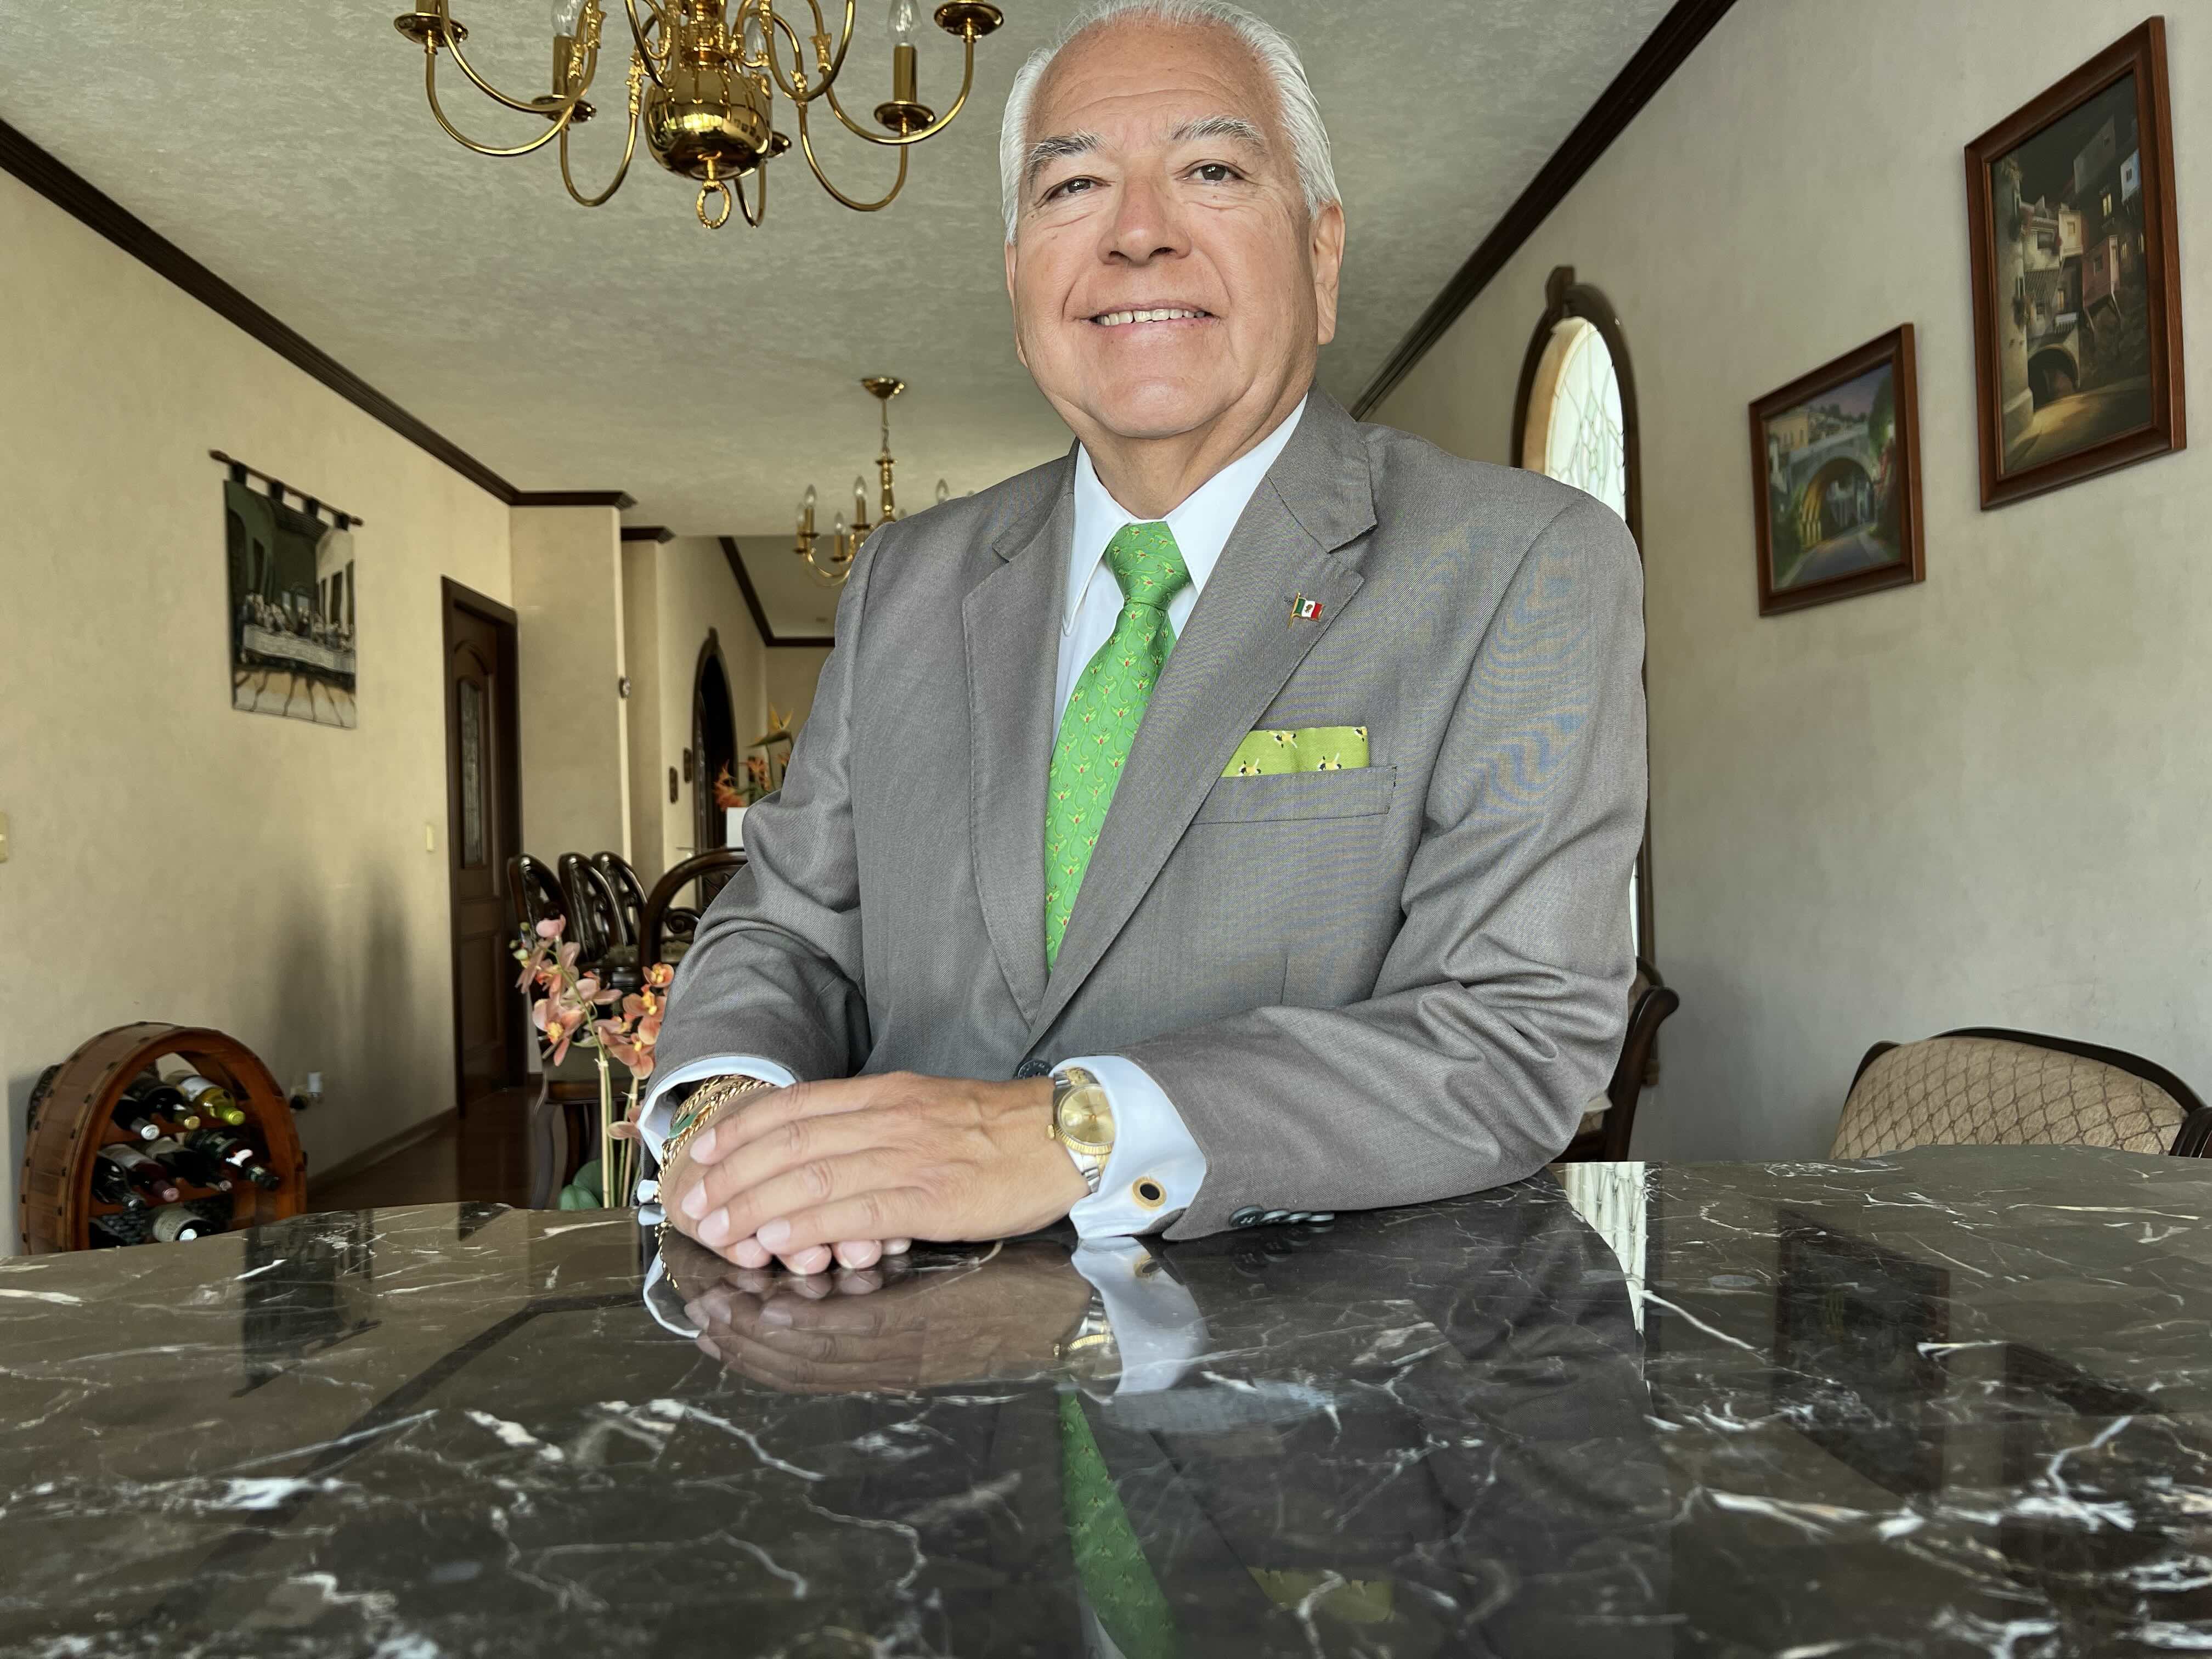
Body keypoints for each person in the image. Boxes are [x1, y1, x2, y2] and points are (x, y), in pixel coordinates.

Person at [644, 0, 1646, 1278]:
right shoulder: (905, 578)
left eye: (1212, 171)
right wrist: (731, 1116)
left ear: (1322, 255)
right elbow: (787, 928)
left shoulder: (1524, 562)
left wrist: (1069, 1134)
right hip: (898, 1350)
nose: (1137, 233)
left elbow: (1515, 1036)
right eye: (1073, 186)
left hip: (1322, 1361)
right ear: (1019, 274)